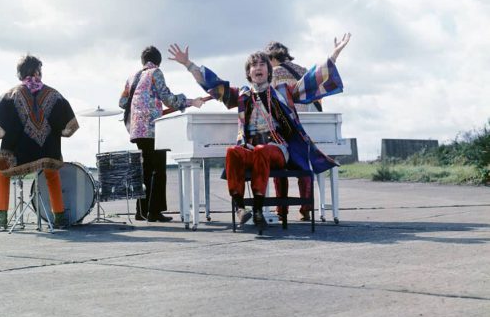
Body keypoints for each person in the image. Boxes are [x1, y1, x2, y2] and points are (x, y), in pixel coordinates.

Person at [168, 34, 351, 229]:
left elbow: (311, 80)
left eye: (262, 64)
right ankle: (240, 207)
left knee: (262, 150)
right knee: (233, 152)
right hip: (252, 147)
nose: (258, 67)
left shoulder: (282, 92)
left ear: (269, 70)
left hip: (277, 149)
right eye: (253, 65)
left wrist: (334, 54)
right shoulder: (242, 96)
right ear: (249, 73)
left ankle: (257, 208)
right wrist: (188, 64)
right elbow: (215, 86)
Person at [0, 55, 79, 230]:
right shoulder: (55, 95)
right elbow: (69, 129)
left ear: (20, 74)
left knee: (2, 167)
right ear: (38, 71)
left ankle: (2, 218)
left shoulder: (9, 95)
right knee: (52, 172)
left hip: (18, 155)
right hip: (48, 152)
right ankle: (59, 218)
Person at [119, 46, 205, 222]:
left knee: (145, 169)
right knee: (158, 169)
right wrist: (189, 101)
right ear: (158, 61)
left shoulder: (132, 77)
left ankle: (141, 211)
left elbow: (122, 102)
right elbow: (167, 98)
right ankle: (154, 212)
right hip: (152, 128)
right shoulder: (155, 72)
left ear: (143, 61)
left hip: (136, 129)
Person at [265, 40, 320, 221]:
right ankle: (306, 208)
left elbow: (269, 101)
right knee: (304, 165)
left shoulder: (274, 72)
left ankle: (282, 211)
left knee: (279, 164)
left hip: (286, 125)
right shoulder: (302, 70)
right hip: (309, 126)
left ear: (272, 57)